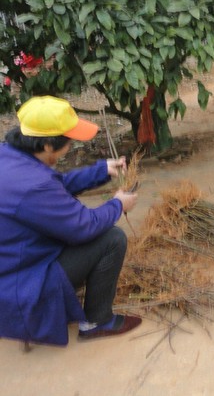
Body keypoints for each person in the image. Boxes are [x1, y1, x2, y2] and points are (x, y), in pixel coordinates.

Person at [0, 96, 141, 346]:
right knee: (112, 239)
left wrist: (100, 171)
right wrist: (118, 204)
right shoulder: (35, 184)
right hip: (23, 281)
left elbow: (54, 188)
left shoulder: (10, 156)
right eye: (68, 142)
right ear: (46, 147)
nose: (70, 147)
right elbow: (83, 227)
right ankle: (97, 322)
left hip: (12, 265)